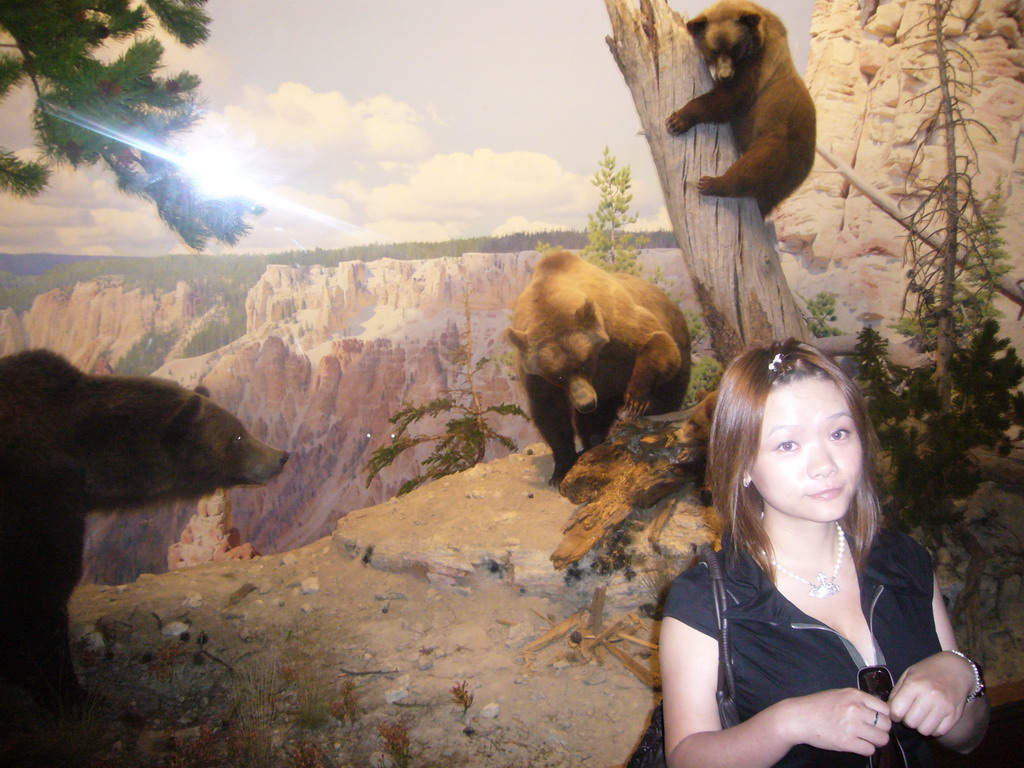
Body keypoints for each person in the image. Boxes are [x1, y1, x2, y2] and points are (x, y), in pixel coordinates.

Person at [660, 339, 990, 767]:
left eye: (838, 433)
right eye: (788, 445)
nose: (825, 464)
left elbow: (967, 739)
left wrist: (962, 674)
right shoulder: (704, 601)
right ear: (741, 464)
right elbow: (686, 758)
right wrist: (786, 724)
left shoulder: (903, 559)